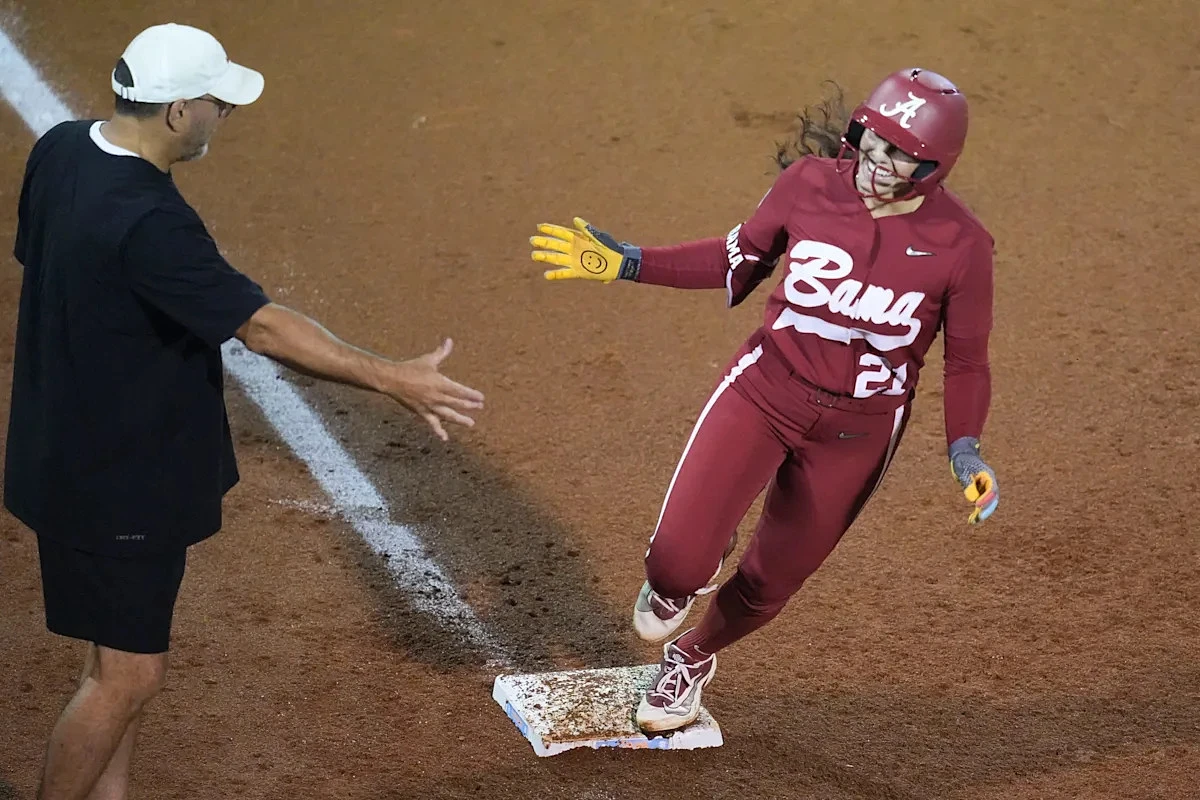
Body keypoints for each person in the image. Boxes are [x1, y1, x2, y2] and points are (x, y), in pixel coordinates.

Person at [4, 23, 484, 800]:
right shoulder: (150, 221)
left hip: (61, 449)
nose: (223, 114)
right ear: (175, 112)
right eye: (216, 103)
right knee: (127, 678)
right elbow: (261, 328)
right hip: (118, 483)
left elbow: (49, 263)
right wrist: (391, 377)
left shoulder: (61, 150)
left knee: (114, 659)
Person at [530, 68, 1000, 734]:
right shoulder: (809, 185)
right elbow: (734, 261)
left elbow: (968, 361)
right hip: (764, 391)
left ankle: (691, 658)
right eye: (872, 140)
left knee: (771, 581)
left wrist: (965, 449)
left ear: (935, 166)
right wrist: (629, 261)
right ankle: (690, 566)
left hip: (857, 434)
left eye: (899, 155)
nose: (875, 161)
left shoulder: (963, 246)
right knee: (674, 565)